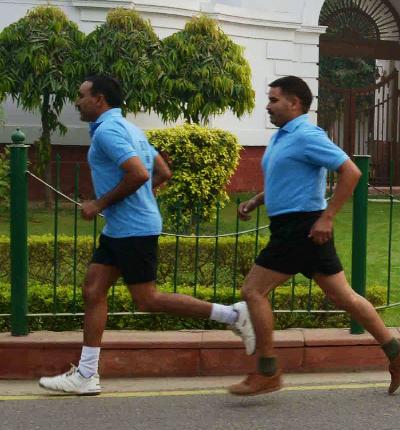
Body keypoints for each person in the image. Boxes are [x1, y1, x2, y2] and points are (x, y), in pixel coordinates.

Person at [38, 76, 255, 396]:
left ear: (99, 99)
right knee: (93, 290)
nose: (77, 102)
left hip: (133, 229)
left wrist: (100, 203)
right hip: (121, 228)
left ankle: (232, 314)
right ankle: (86, 374)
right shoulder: (129, 128)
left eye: (82, 96)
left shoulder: (109, 132)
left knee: (148, 299)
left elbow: (139, 173)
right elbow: (162, 172)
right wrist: (137, 198)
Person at [227, 76, 400, 397]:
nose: (268, 106)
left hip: (300, 229)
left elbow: (351, 172)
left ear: (294, 103)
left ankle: (267, 371)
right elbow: (286, 181)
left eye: (273, 100)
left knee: (253, 291)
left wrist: (328, 217)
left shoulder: (306, 135)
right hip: (300, 229)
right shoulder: (282, 137)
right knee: (344, 297)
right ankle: (397, 351)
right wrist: (256, 201)